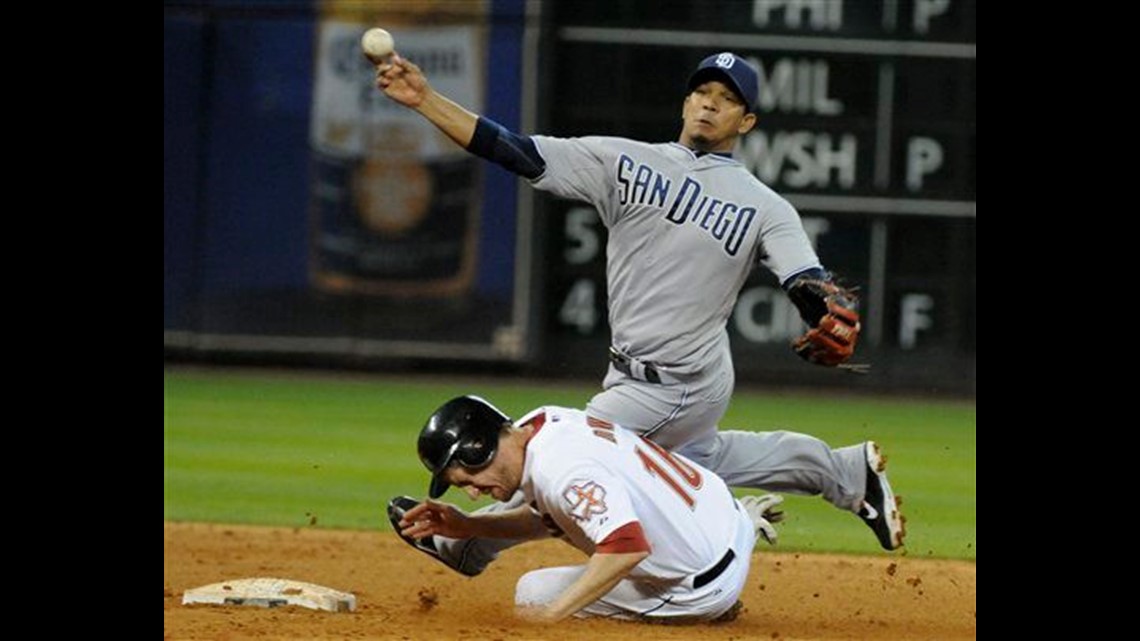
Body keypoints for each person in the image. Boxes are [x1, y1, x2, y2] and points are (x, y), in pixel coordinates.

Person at [375, 50, 905, 575]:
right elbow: (514, 149)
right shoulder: (623, 161)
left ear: (746, 121)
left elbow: (805, 278)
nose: (709, 105)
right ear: (685, 102)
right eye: (702, 92)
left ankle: (468, 546)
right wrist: (424, 100)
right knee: (699, 460)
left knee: (572, 453)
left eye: (726, 99)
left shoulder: (765, 207)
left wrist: (820, 306)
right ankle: (845, 472)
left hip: (681, 379)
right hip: (640, 371)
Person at [391, 395, 786, 623]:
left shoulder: (561, 470)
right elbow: (559, 518)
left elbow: (626, 548)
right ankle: (738, 540)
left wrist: (551, 616)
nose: (473, 494)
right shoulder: (544, 424)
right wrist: (470, 526)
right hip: (724, 518)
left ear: (479, 450)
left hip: (697, 587)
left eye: (467, 480)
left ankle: (707, 612)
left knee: (534, 595)